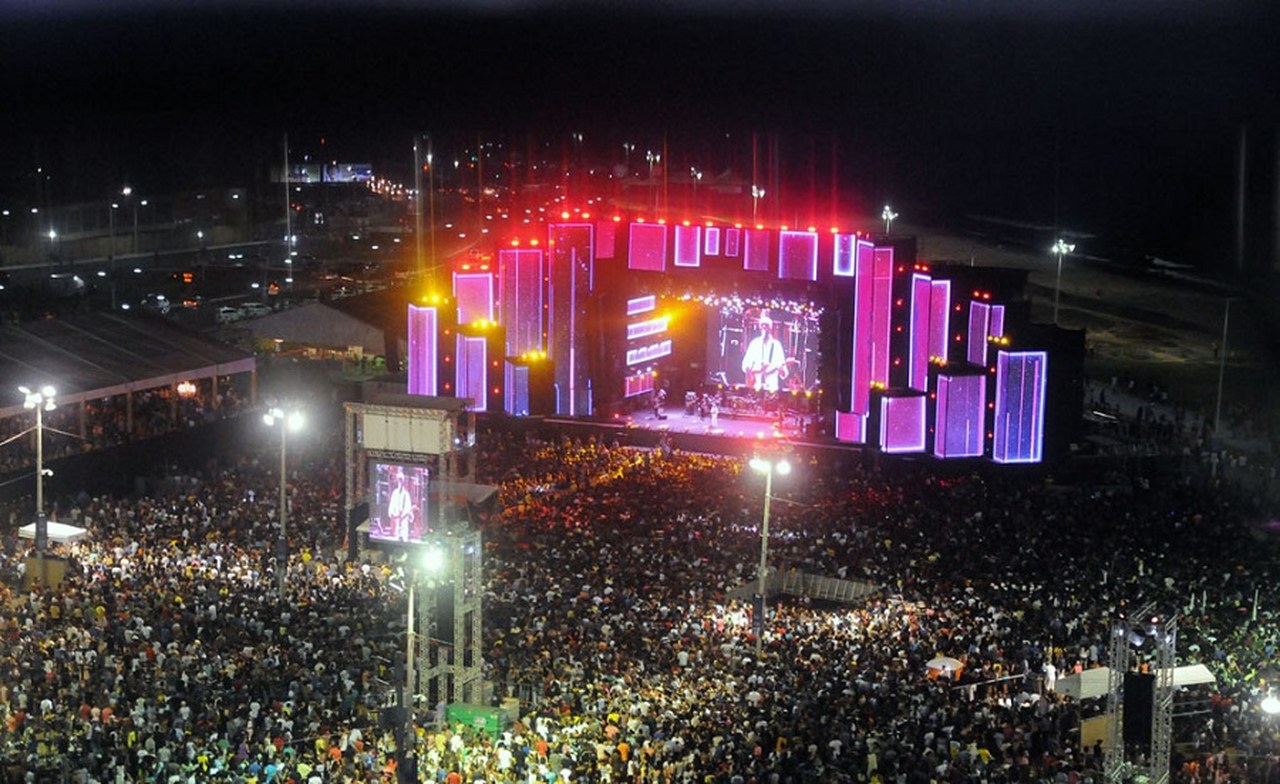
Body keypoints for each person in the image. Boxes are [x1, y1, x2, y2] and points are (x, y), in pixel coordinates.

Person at [741, 311, 787, 393]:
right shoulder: (755, 343)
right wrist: (750, 375)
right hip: (755, 385)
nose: (764, 327)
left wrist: (782, 371)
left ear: (770, 328)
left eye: (766, 325)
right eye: (762, 325)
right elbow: (746, 364)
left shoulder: (776, 345)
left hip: (771, 386)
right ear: (760, 327)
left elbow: (783, 371)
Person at [387, 471, 415, 540]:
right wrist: (392, 514)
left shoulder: (406, 494)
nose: (400, 481)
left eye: (401, 479)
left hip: (403, 519)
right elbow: (392, 504)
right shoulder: (395, 493)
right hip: (396, 518)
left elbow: (408, 507)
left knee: (404, 536)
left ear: (403, 481)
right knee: (396, 536)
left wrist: (404, 515)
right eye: (398, 479)